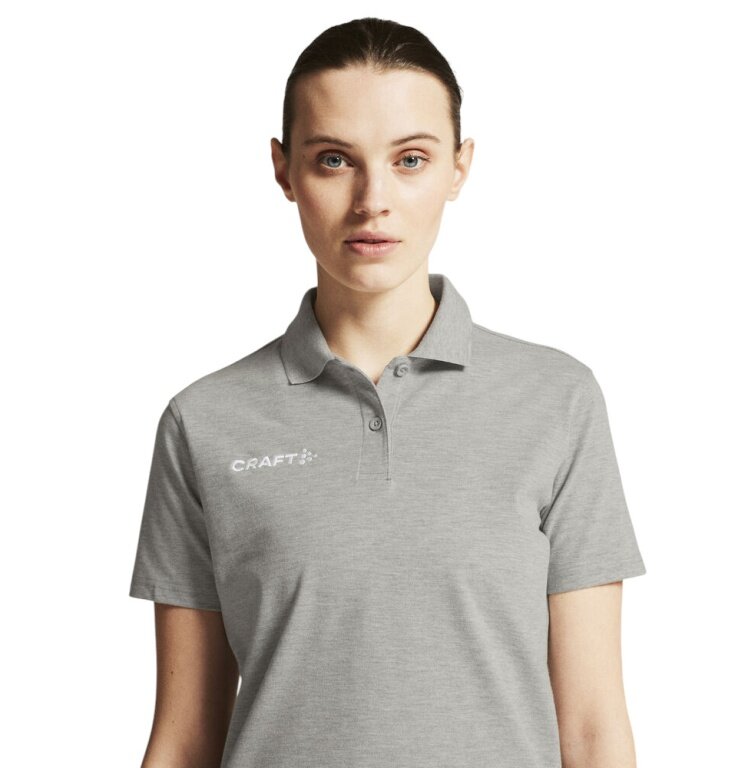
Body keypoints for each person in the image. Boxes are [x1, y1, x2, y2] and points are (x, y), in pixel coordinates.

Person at [128, 16, 647, 768]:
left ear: (459, 168)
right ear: (283, 170)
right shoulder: (204, 422)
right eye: (334, 159)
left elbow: (595, 728)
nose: (373, 199)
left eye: (410, 159)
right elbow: (184, 738)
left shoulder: (557, 402)